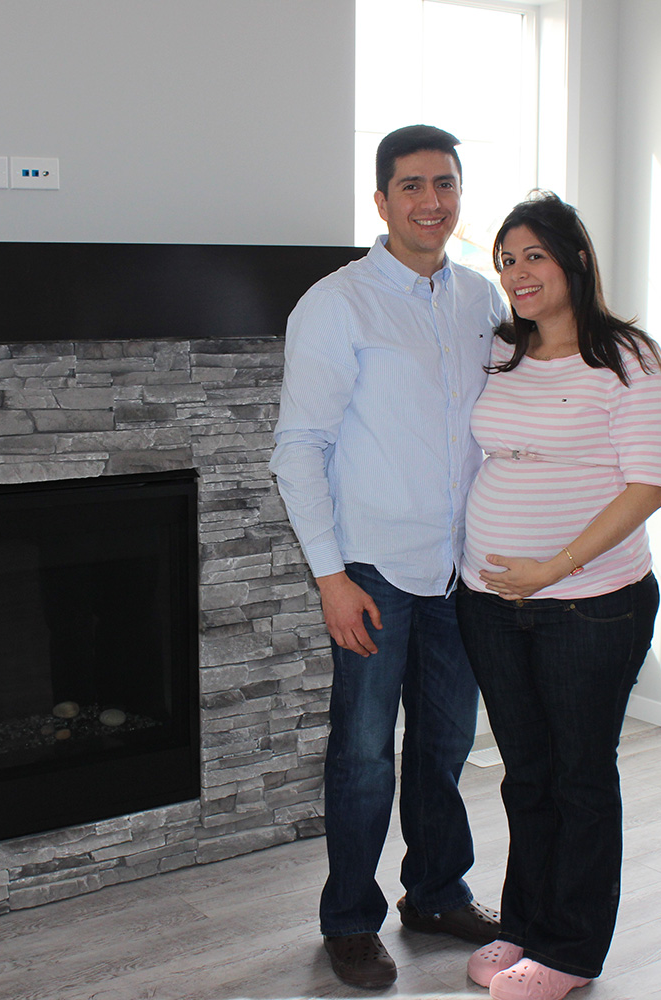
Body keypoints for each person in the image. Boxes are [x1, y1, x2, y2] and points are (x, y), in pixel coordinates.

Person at [270, 124, 508, 989]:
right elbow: (298, 448)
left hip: (460, 569)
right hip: (370, 569)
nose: (430, 201)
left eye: (445, 184)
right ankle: (348, 919)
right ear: (381, 201)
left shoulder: (483, 298)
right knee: (365, 754)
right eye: (412, 185)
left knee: (443, 745)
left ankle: (437, 894)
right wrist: (330, 578)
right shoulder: (338, 303)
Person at [456, 192, 661, 1000]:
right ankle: (525, 926)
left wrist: (552, 569)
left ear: (576, 259)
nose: (518, 274)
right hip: (491, 603)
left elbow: (647, 487)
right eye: (507, 261)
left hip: (591, 604)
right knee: (527, 773)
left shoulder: (627, 358)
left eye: (534, 256)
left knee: (579, 775)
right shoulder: (501, 351)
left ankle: (572, 953)